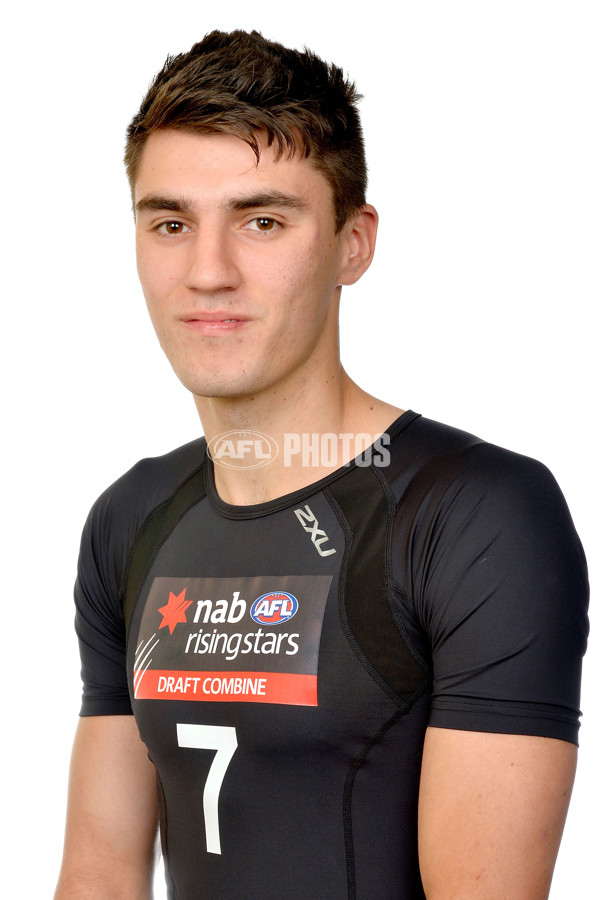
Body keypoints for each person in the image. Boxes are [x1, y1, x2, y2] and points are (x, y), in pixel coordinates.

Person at [54, 29, 589, 900]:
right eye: (171, 223)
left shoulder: (475, 513)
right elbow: (99, 874)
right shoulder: (134, 516)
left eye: (263, 220)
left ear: (352, 242)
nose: (208, 271)